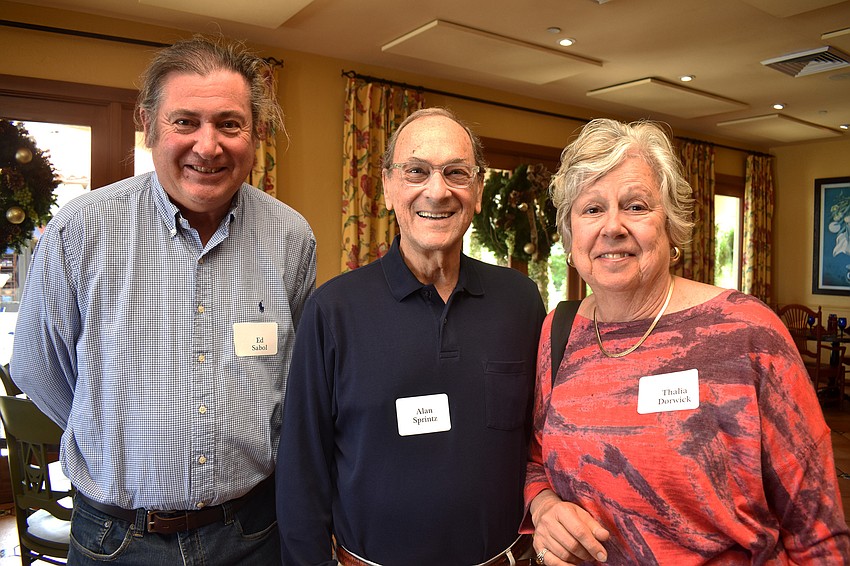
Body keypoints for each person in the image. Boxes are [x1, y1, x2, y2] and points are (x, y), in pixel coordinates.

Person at [11, 35, 316, 565]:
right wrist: (108, 434)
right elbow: (42, 371)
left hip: (252, 534)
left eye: (229, 123)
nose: (208, 145)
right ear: (147, 124)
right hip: (117, 540)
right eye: (185, 122)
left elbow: (297, 381)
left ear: (255, 133)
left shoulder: (292, 239)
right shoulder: (82, 231)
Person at [523, 118, 850, 565]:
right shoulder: (558, 332)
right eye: (592, 209)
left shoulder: (747, 332)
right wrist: (544, 508)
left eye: (636, 206)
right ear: (570, 234)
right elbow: (536, 458)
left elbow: (819, 536)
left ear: (672, 227)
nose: (612, 227)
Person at [277, 107, 546, 565]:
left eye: (456, 173)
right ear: (387, 186)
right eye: (416, 171)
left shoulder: (520, 302)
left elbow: (540, 445)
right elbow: (302, 472)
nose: (437, 191)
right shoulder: (334, 310)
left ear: (478, 191)